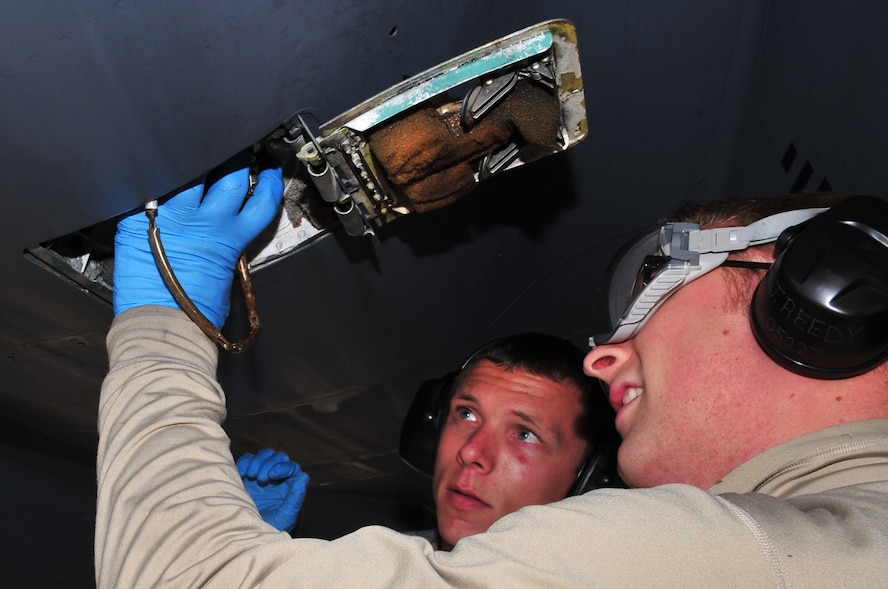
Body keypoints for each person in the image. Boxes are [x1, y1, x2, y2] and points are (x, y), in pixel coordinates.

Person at [97, 159, 888, 587]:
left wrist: (165, 319)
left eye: (659, 287)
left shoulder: (724, 553)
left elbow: (183, 576)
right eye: (467, 414)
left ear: (822, 296)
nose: (607, 353)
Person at [239, 333, 621, 547]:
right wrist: (248, 537)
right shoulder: (377, 566)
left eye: (524, 434)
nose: (471, 452)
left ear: (587, 481)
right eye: (466, 414)